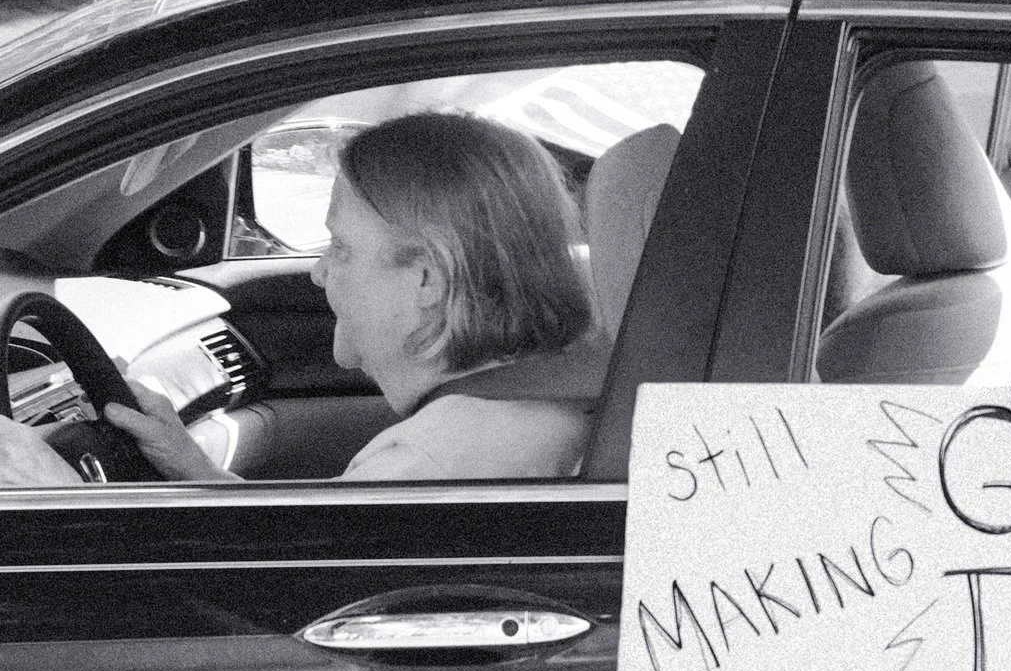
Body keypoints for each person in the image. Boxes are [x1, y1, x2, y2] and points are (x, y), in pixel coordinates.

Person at [0, 111, 604, 488]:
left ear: (427, 280)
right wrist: (194, 468)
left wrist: (55, 491)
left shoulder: (424, 465)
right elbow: (302, 552)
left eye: (340, 248)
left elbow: (275, 616)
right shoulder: (549, 407)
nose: (317, 273)